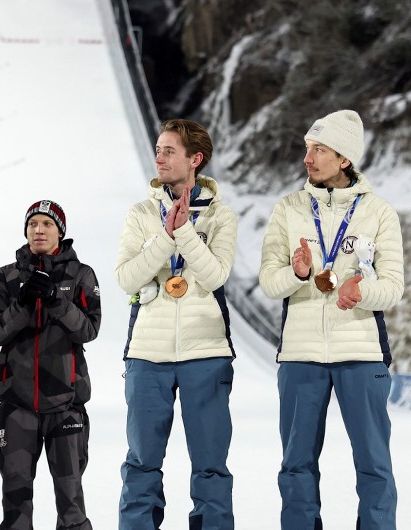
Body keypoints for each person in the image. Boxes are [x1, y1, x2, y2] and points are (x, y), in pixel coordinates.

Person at [258, 109, 403, 530]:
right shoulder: (288, 209)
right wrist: (297, 274)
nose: (308, 157)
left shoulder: (378, 212)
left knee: (374, 464)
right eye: (307, 147)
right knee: (296, 464)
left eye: (319, 149)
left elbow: (392, 285)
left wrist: (362, 290)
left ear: (344, 159)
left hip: (361, 351)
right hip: (301, 354)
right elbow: (270, 281)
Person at [115, 119, 239, 530]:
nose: (159, 157)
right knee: (141, 465)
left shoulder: (222, 216)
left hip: (206, 353)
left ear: (195, 159)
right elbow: (127, 278)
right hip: (148, 355)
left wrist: (183, 231)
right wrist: (166, 237)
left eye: (169, 150)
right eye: (158, 149)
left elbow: (215, 275)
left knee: (210, 468)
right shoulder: (141, 214)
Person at [0, 200, 101, 530]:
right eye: (33, 224)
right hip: (17, 406)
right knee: (16, 503)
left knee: (71, 502)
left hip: (66, 405)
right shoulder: (6, 276)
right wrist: (22, 304)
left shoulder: (81, 275)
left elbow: (89, 329)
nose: (39, 230)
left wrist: (55, 300)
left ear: (60, 231)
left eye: (47, 224)